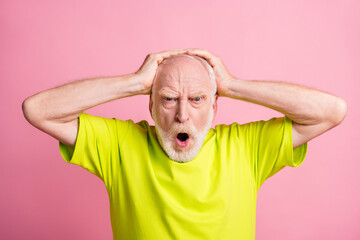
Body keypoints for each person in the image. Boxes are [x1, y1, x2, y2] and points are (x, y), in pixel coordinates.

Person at [22, 48, 347, 239]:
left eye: (196, 99)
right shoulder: (119, 145)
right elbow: (38, 110)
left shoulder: (247, 147)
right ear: (149, 106)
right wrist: (134, 82)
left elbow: (331, 112)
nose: (182, 114)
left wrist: (233, 85)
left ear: (215, 106)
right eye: (167, 99)